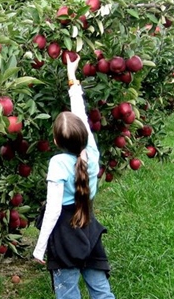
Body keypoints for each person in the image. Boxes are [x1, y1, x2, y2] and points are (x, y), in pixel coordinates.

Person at [32, 55, 114, 299]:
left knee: (67, 292)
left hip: (65, 235)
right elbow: (81, 114)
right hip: (88, 225)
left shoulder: (58, 163)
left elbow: (54, 209)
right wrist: (72, 77)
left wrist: (40, 246)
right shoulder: (91, 152)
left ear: (56, 141)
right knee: (100, 289)